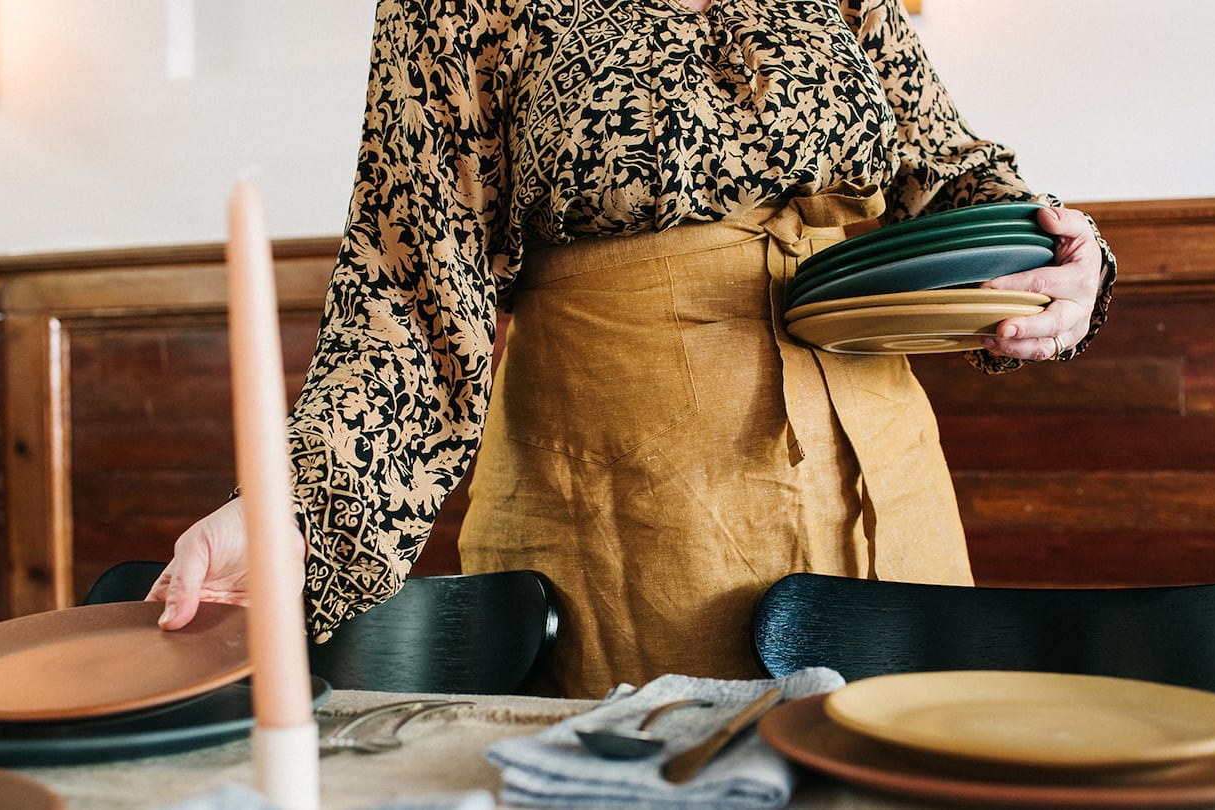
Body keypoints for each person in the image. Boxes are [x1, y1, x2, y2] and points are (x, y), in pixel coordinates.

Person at [150, 0, 1115, 699]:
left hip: (882, 488)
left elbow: (950, 179)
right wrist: (289, 515)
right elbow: (413, 291)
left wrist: (1062, 265)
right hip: (620, 513)